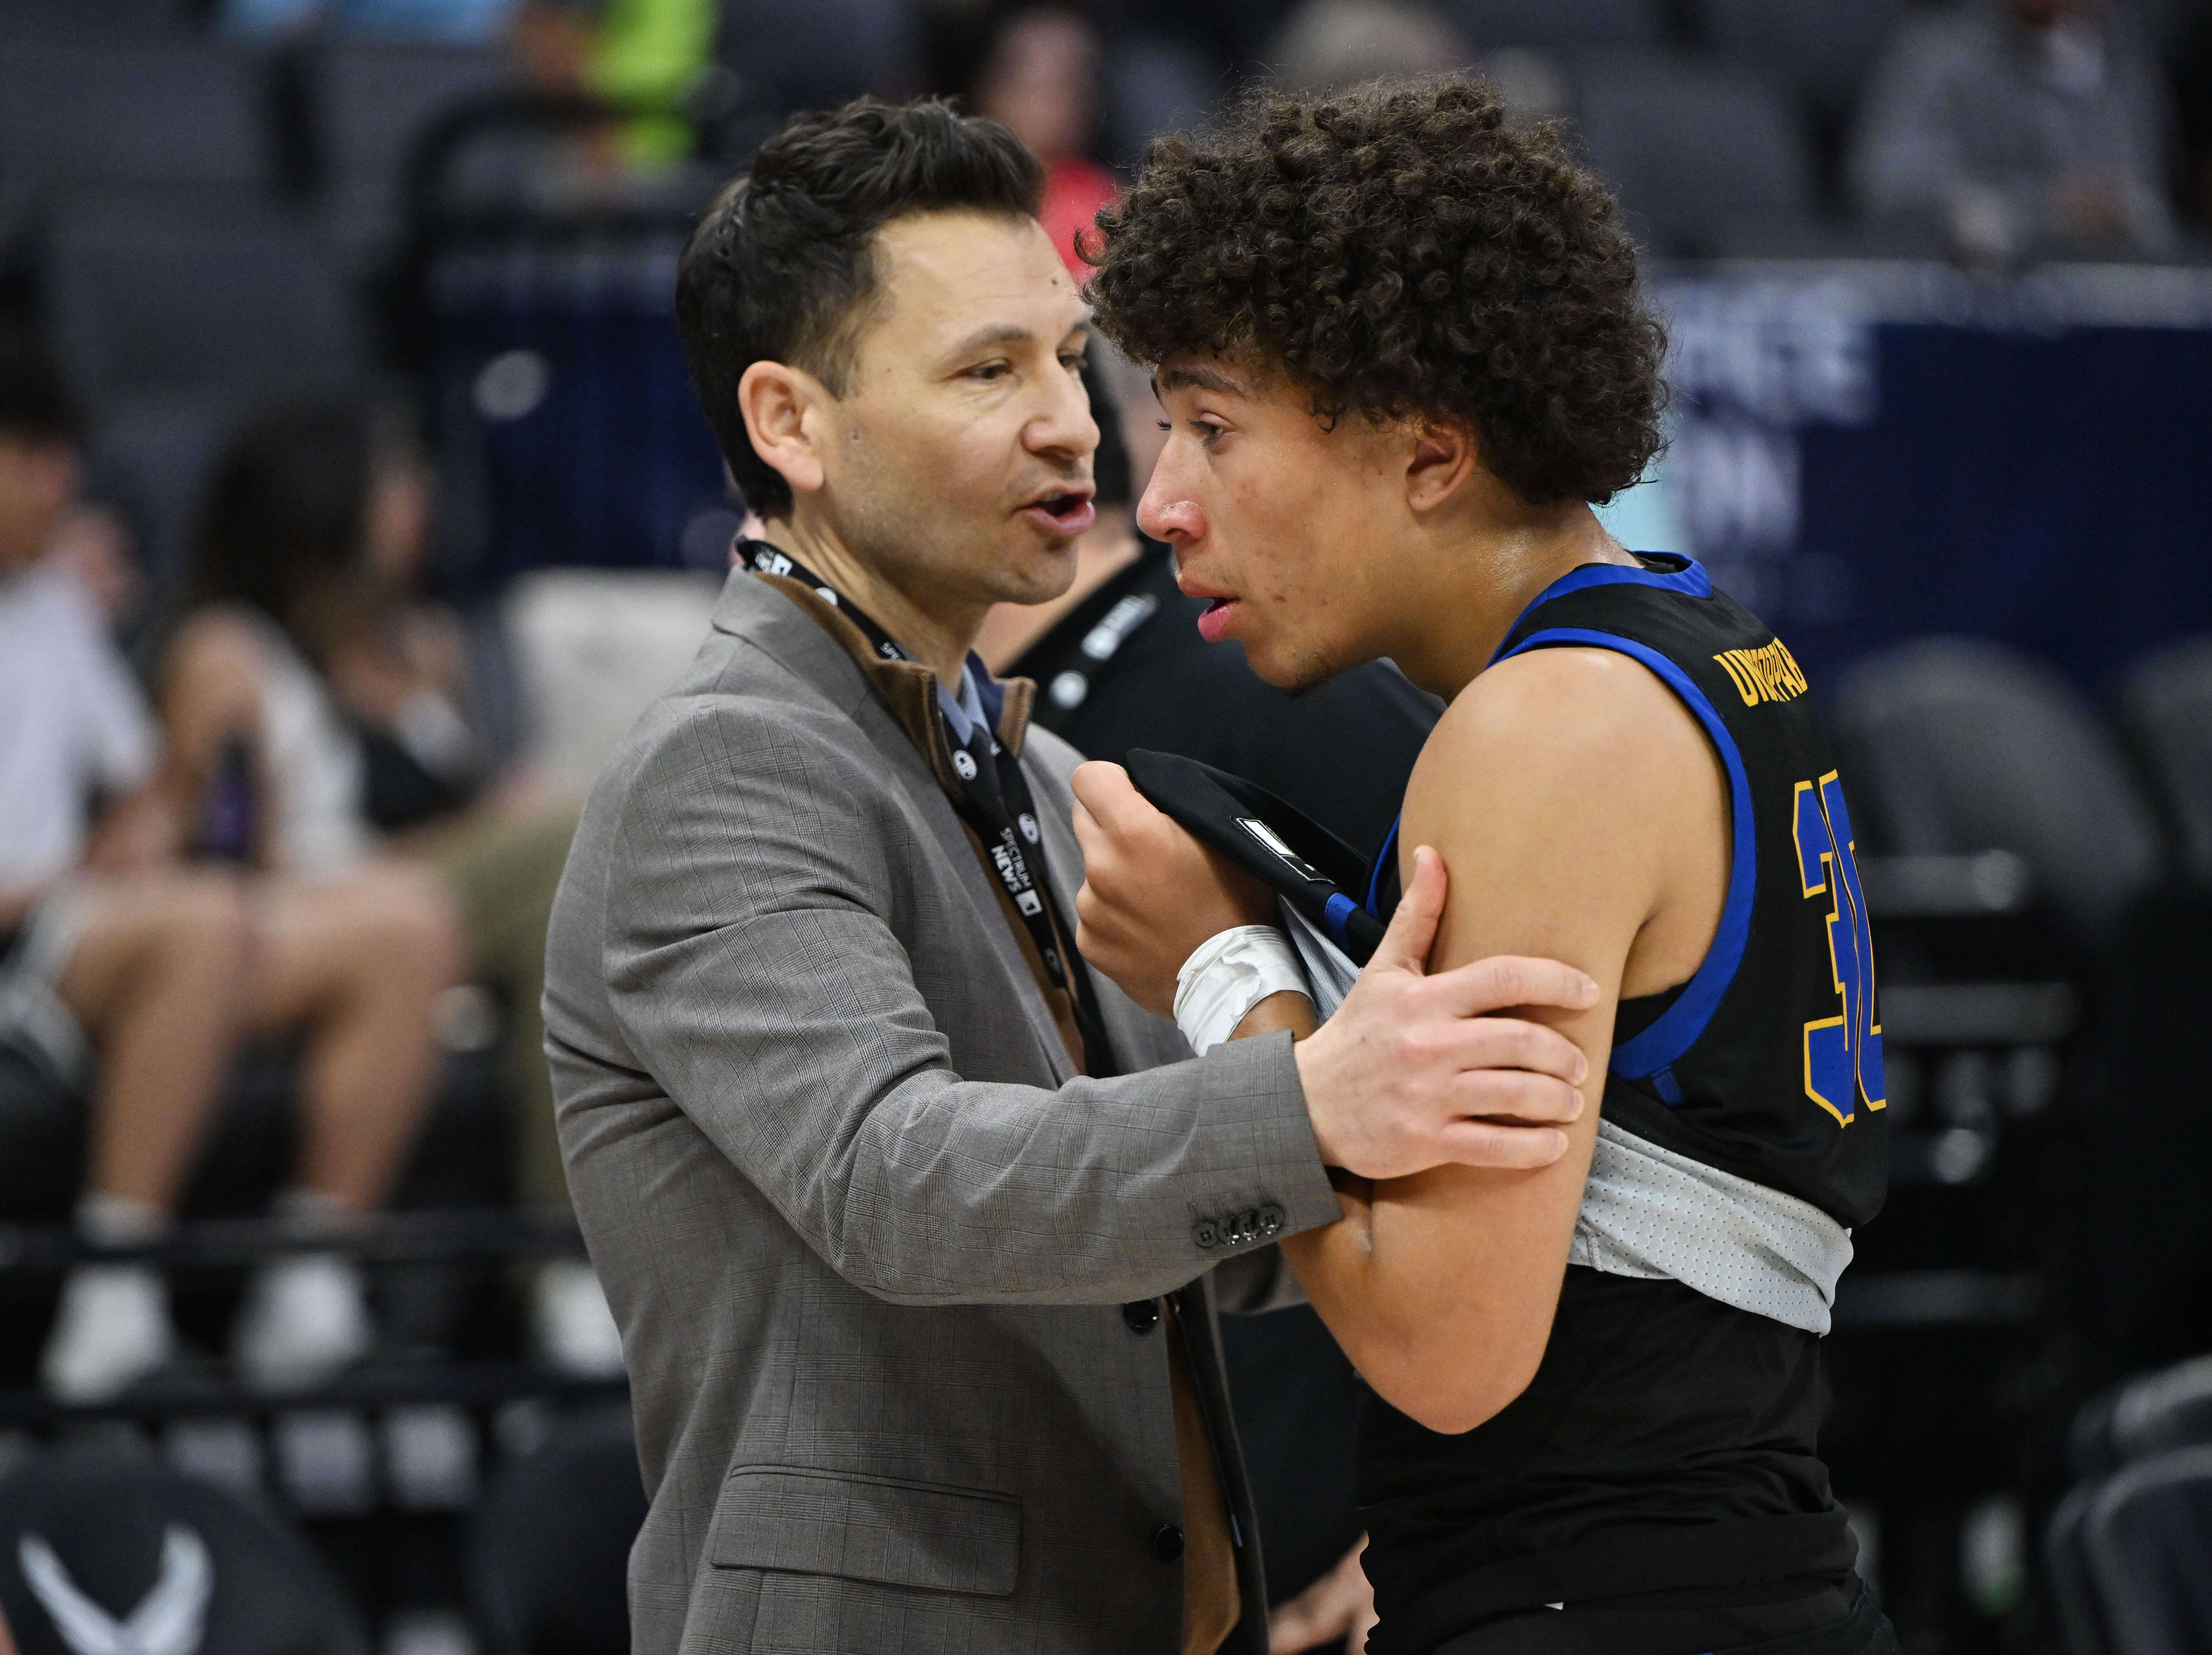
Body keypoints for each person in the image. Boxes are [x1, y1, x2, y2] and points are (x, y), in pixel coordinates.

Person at [545, 97, 1599, 1655]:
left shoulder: (1017, 759)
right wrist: (1316, 1097)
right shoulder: (727, 766)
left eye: (1061, 355)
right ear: (789, 423)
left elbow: (1180, 1223)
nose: (1071, 423)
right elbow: (895, 1180)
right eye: (986, 370)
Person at [1073, 78, 1896, 1655]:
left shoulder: (1542, 731)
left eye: (1214, 425)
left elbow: (1449, 1346)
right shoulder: (1690, 646)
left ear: (1428, 453)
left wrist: (1221, 969)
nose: (1164, 498)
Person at [975, 363, 1430, 1648]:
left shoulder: (1251, 683)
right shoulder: (926, 740)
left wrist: (1444, 1517)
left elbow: (1579, 1082)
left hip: (1323, 1531)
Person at [0, 325, 464, 1401]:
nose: (62, 487)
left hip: (93, 924)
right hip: (34, 927)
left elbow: (144, 797)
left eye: (65, 458)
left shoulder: (59, 604)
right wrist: (82, 876)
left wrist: (155, 823)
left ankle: (309, 1282)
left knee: (409, 923)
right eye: (33, 460)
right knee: (203, 920)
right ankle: (110, 1299)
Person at [167, 401, 601, 1363]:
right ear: (326, 507)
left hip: (447, 911)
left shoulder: (424, 646)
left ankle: (573, 1261)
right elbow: (226, 859)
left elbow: (462, 810)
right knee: (575, 832)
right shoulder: (231, 652)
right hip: (318, 908)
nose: (420, 503)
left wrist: (496, 814)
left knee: (574, 914)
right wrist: (497, 829)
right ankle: (563, 1267)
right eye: (394, 484)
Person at [1848, 0, 2174, 258]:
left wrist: (2119, 210)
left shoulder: (2123, 65)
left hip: (2095, 304)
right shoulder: (1938, 54)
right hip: (1959, 300)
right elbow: (1887, 180)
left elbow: (2151, 206)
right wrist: (2034, 211)